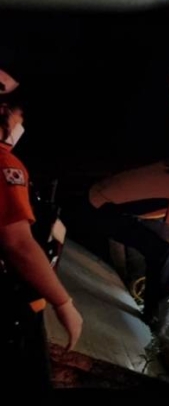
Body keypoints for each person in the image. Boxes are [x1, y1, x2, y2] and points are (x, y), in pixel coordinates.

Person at [0, 69, 83, 403]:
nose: (20, 124)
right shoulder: (6, 166)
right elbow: (18, 243)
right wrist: (64, 303)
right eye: (19, 115)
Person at [87, 159, 169, 331]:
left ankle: (159, 303)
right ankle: (156, 313)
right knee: (161, 250)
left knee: (157, 243)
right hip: (103, 210)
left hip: (99, 194)